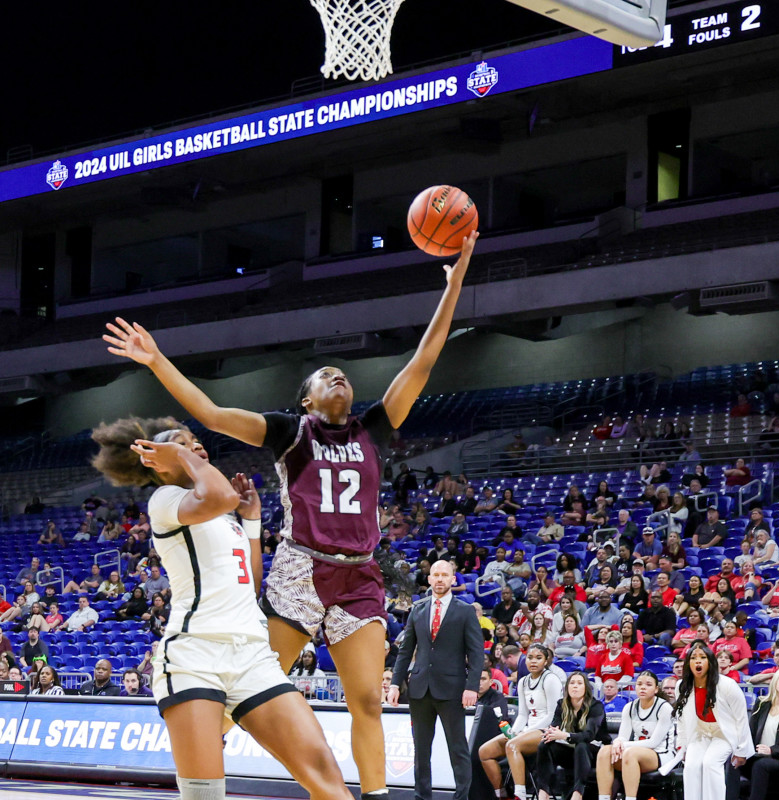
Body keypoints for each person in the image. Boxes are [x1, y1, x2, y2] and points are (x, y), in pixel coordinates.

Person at [103, 234, 477, 799]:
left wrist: (453, 287)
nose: (339, 378)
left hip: (359, 573)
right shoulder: (288, 431)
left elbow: (424, 360)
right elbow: (207, 412)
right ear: (305, 400)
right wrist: (156, 360)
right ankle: (202, 745)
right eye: (326, 376)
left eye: (344, 375)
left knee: (368, 700)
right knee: (249, 681)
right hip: (302, 567)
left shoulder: (372, 427)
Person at [91, 417, 352, 800]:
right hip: (194, 654)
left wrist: (250, 522)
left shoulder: (222, 515)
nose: (194, 446)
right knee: (205, 795)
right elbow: (218, 494)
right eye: (182, 444)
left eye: (195, 441)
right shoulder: (164, 500)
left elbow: (249, 578)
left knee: (329, 783)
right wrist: (181, 454)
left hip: (253, 657)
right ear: (157, 461)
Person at [388, 559, 484, 800]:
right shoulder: (417, 609)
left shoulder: (465, 611)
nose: (440, 579)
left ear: (453, 579)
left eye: (445, 575)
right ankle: (422, 797)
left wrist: (471, 686)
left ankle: (462, 797)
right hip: (419, 689)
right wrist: (394, 683)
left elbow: (475, 653)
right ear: (429, 579)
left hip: (452, 690)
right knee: (421, 750)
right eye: (435, 575)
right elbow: (405, 650)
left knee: (458, 749)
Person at [479, 644, 562, 800]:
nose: (533, 661)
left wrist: (523, 734)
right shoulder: (523, 681)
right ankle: (502, 793)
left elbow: (552, 715)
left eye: (538, 658)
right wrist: (514, 732)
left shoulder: (551, 679)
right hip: (528, 730)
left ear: (545, 661)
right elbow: (523, 714)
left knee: (513, 745)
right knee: (484, 751)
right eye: (530, 657)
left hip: (548, 731)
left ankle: (520, 794)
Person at [672, 642, 753, 800]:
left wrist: (741, 750)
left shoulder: (727, 685)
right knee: (691, 766)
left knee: (710, 763)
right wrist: (682, 744)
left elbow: (741, 718)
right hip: (700, 732)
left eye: (702, 657)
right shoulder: (681, 686)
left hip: (724, 734)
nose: (698, 661)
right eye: (693, 658)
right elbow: (681, 718)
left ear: (711, 662)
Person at [595, 670, 676, 800]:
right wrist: (617, 742)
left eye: (648, 684)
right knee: (605, 751)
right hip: (636, 753)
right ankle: (604, 798)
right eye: (639, 684)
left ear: (656, 689)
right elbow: (623, 736)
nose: (643, 687)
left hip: (662, 754)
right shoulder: (629, 707)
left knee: (630, 753)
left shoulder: (664, 708)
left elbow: (653, 743)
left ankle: (630, 798)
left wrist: (623, 744)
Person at [728, 667, 779, 800]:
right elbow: (749, 733)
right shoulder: (761, 704)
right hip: (756, 755)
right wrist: (741, 750)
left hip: (777, 759)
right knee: (733, 761)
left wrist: (771, 750)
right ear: (774, 680)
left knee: (761, 765)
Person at [533, 671, 610, 800]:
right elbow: (554, 728)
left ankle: (577, 794)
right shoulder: (561, 704)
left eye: (579, 683)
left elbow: (589, 736)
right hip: (573, 750)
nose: (575, 686)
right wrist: (549, 733)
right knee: (544, 745)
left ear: (586, 688)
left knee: (581, 745)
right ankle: (543, 792)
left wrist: (564, 735)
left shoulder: (596, 706)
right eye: (572, 683)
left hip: (597, 753)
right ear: (567, 687)